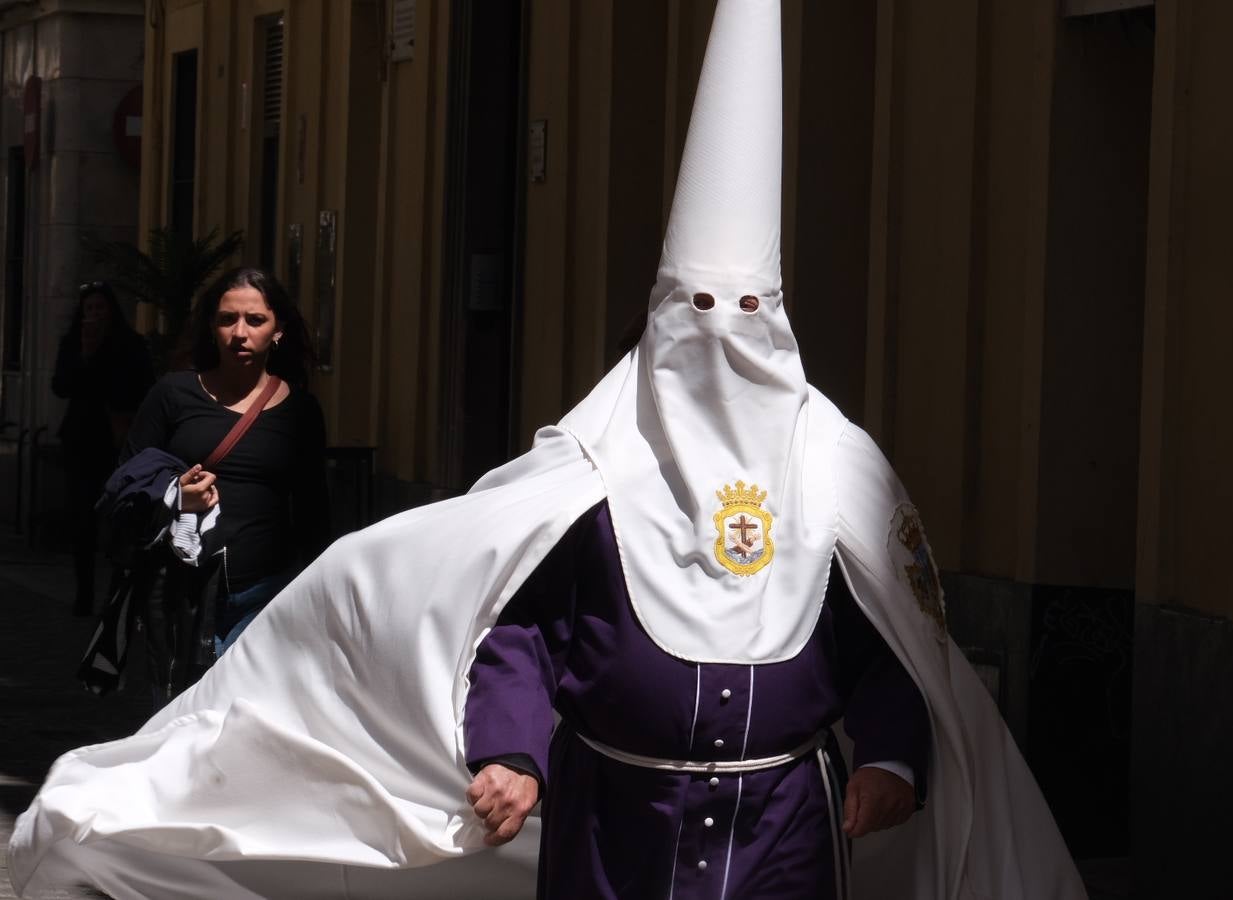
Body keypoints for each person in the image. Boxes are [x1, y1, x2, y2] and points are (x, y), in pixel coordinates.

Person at [8, 3, 1087, 899]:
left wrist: (893, 753)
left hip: (786, 836)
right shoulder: (590, 475)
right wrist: (512, 755)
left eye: (747, 311)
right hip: (618, 826)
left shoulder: (834, 471)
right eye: (698, 312)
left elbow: (885, 639)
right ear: (659, 332)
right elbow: (520, 628)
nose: (723, 334)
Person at [119, 266, 330, 674]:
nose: (240, 332)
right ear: (210, 327)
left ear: (278, 329)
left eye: (255, 320)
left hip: (266, 594)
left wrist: (315, 594)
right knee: (185, 717)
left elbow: (312, 510)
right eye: (227, 319)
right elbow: (127, 479)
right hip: (183, 593)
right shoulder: (173, 394)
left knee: (241, 718)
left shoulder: (301, 410)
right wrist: (176, 495)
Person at [50, 281, 154, 615]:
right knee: (81, 516)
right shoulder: (73, 344)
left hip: (117, 441)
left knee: (121, 519)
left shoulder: (129, 345)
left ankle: (118, 596)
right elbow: (61, 386)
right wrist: (84, 354)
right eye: (88, 309)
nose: (94, 314)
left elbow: (139, 388)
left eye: (100, 308)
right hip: (81, 439)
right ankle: (83, 593)